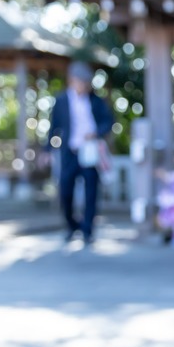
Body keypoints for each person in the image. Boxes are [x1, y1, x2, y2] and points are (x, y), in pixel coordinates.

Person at [51, 61, 113, 245]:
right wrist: (47, 149)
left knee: (91, 191)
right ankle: (72, 225)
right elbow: (54, 126)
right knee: (65, 190)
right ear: (72, 81)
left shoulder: (96, 100)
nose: (85, 86)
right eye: (81, 82)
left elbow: (108, 122)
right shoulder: (61, 100)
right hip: (70, 151)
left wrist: (96, 132)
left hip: (90, 151)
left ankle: (87, 230)